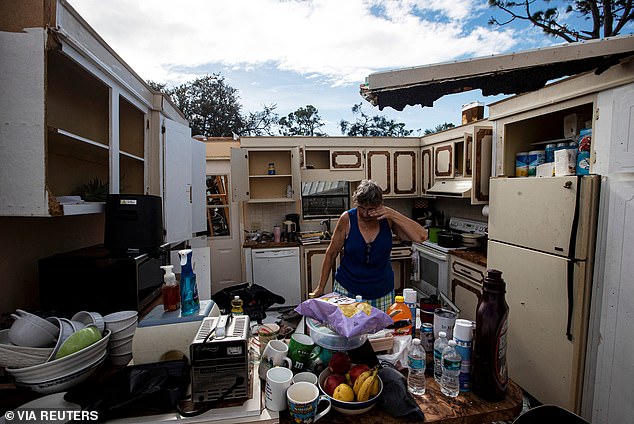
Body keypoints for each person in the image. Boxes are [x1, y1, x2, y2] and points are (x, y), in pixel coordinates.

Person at [310, 180, 427, 312]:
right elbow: (331, 254)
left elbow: (421, 236)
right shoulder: (347, 219)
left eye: (371, 209)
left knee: (381, 332)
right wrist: (320, 287)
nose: (365, 214)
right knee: (348, 330)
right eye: (361, 208)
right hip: (347, 290)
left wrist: (393, 214)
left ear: (380, 205)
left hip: (382, 292)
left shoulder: (387, 219)